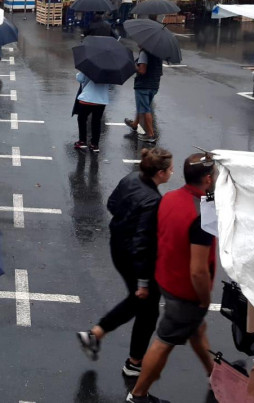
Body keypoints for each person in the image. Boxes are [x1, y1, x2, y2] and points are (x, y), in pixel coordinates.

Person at [127, 153, 218, 403]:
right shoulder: (201, 216)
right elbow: (198, 270)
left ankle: (214, 373)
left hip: (166, 277)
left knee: (196, 329)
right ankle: (138, 395)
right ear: (208, 179)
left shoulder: (170, 197)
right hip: (186, 291)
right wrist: (204, 298)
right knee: (164, 341)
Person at [77, 148, 173, 378]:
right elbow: (143, 243)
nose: (172, 172)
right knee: (147, 307)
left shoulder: (130, 178)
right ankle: (132, 361)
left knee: (140, 303)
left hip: (118, 247)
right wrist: (143, 281)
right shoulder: (153, 201)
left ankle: (99, 336)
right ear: (160, 173)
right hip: (137, 260)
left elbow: (111, 204)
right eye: (170, 169)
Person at [124, 48, 163, 143]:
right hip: (154, 85)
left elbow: (142, 70)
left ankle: (150, 135)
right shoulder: (158, 53)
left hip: (143, 85)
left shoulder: (144, 53)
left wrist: (133, 66)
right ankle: (134, 124)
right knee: (143, 105)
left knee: (146, 109)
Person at [73, 71, 110, 152]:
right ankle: (95, 144)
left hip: (87, 98)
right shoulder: (109, 69)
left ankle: (82, 140)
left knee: (82, 119)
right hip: (101, 99)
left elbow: (80, 78)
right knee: (96, 121)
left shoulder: (89, 67)